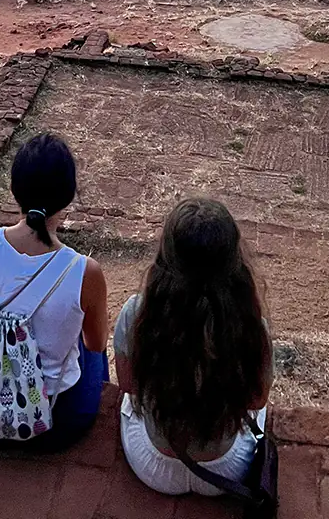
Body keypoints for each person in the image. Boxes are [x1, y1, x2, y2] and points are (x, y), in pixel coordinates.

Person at [0, 133, 108, 451]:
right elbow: (97, 343)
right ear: (68, 196)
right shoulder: (85, 271)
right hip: (55, 422)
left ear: (15, 190)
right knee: (90, 349)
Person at [114, 197, 273, 495]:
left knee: (129, 406)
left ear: (166, 255)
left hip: (152, 463)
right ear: (234, 258)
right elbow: (256, 401)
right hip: (228, 468)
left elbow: (129, 386)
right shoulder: (252, 327)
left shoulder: (136, 314)